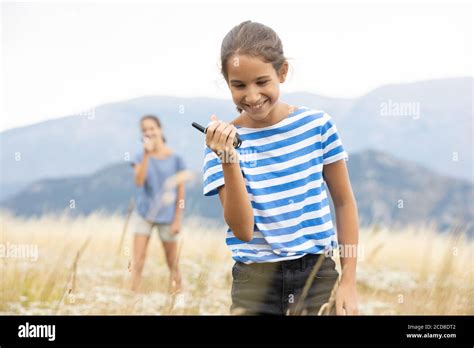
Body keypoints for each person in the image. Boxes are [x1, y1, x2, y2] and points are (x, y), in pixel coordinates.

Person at [203, 21, 359, 315]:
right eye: (239, 85)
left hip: (317, 276)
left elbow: (344, 201)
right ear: (227, 84)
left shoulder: (318, 126)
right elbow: (243, 229)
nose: (251, 96)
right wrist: (228, 158)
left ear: (282, 72)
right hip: (254, 282)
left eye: (262, 82)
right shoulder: (219, 144)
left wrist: (348, 280)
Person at [130, 114, 186, 294]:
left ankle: (179, 297)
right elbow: (139, 181)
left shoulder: (176, 158)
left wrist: (178, 219)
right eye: (144, 130)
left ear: (160, 130)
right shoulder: (140, 156)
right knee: (137, 262)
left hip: (168, 216)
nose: (149, 132)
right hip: (144, 213)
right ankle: (133, 300)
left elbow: (181, 193)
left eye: (152, 128)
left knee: (172, 262)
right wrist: (147, 155)